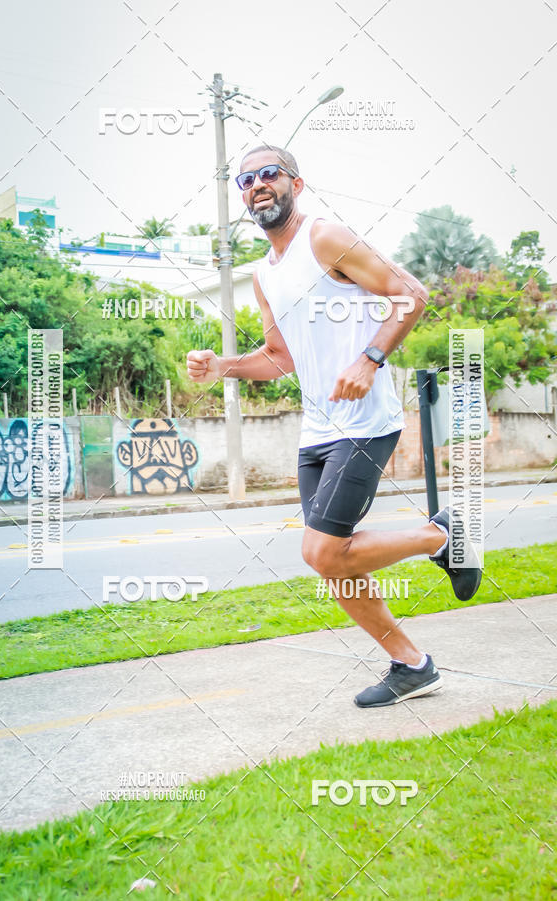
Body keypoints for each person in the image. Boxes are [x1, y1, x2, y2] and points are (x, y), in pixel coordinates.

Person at [187, 145, 481, 708]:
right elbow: (280, 358)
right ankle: (412, 665)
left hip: (365, 423)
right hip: (317, 432)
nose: (257, 185)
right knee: (337, 563)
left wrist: (369, 359)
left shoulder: (325, 237)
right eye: (245, 179)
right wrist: (224, 366)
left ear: (295, 183)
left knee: (321, 552)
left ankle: (445, 537)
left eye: (269, 173)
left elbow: (411, 295)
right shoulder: (263, 276)